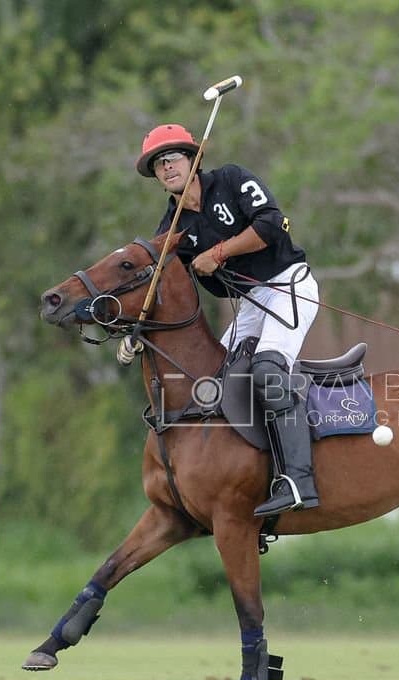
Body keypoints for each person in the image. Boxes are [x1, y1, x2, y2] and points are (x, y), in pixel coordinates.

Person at [130, 123, 321, 517]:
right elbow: (156, 282)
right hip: (250, 302)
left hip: (288, 284)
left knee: (267, 370)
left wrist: (216, 254)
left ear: (193, 158)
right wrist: (134, 329)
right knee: (220, 383)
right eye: (158, 166)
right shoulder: (171, 228)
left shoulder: (232, 180)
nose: (166, 169)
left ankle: (299, 481)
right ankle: (250, 481)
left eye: (172, 159)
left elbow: (270, 225)